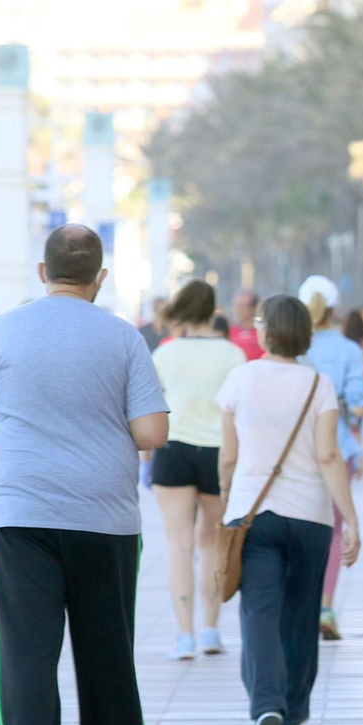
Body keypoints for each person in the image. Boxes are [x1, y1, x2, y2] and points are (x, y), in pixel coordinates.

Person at [0, 224, 168, 725]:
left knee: (25, 656)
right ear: (100, 277)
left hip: (19, 515)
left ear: (42, 272)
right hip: (104, 519)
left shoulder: (5, 329)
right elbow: (152, 433)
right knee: (106, 654)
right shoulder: (123, 336)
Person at [218, 295, 362, 725]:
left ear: (267, 330)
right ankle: (296, 706)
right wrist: (350, 518)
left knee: (259, 609)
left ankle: (266, 703)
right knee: (301, 612)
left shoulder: (240, 378)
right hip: (310, 516)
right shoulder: (317, 384)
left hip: (252, 512)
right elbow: (328, 454)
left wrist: (229, 502)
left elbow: (228, 456)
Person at [149, 280, 246, 660]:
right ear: (213, 310)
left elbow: (153, 404)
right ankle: (210, 630)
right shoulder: (234, 355)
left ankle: (183, 636)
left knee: (178, 546)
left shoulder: (165, 354)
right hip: (219, 455)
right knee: (211, 545)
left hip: (173, 450)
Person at [298, 276, 363, 642]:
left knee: (299, 525)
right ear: (334, 310)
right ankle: (325, 606)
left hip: (295, 450)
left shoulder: (293, 349)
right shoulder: (349, 351)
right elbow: (359, 403)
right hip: (337, 447)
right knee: (334, 531)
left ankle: (300, 603)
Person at [227, 289, 265, 361]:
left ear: (254, 308)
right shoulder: (228, 331)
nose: (238, 309)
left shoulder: (262, 332)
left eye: (243, 306)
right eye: (236, 305)